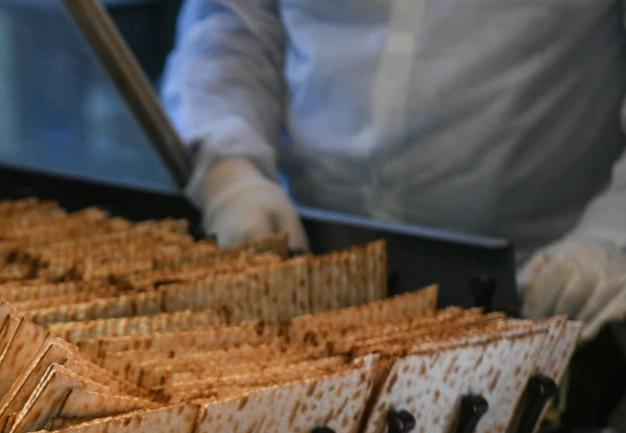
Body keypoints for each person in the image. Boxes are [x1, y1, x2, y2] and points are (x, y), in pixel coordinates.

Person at [161, 0, 626, 342]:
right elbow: (232, 25)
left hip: (541, 294)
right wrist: (231, 174)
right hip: (309, 269)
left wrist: (610, 240)